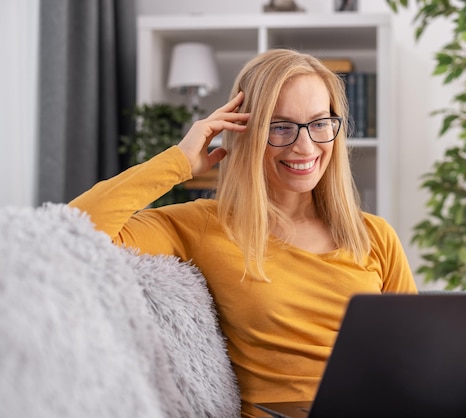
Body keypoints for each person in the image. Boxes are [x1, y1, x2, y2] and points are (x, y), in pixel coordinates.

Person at [70, 48, 417, 417]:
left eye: (319, 124)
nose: (305, 146)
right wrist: (179, 162)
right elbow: (77, 229)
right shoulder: (206, 225)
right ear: (245, 131)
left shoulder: (374, 235)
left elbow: (416, 354)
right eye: (280, 127)